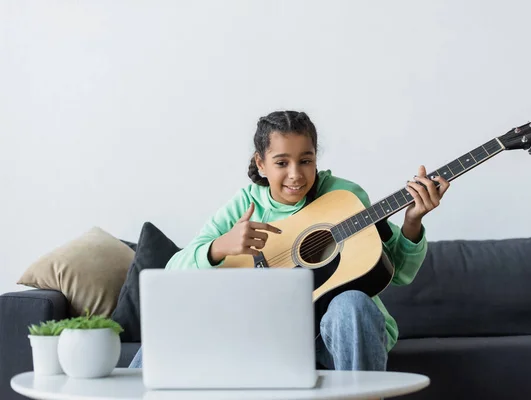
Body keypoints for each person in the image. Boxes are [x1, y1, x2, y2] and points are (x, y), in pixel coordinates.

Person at [129, 110, 450, 371]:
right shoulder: (245, 205)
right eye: (282, 163)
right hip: (264, 338)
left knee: (351, 303)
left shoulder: (345, 197)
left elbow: (401, 273)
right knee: (176, 323)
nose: (296, 174)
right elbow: (172, 275)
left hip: (337, 336)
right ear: (261, 163)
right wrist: (220, 247)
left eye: (305, 160)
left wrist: (412, 220)